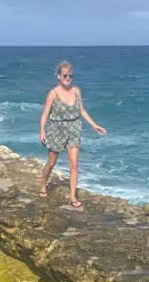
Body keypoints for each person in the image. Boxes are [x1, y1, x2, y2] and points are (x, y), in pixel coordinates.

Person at [39, 61, 106, 210]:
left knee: (74, 165)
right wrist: (42, 130)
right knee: (51, 163)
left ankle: (73, 196)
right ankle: (43, 183)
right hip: (57, 129)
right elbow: (45, 114)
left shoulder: (76, 91)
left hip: (74, 128)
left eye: (70, 75)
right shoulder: (53, 93)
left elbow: (81, 110)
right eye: (65, 75)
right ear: (58, 76)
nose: (68, 78)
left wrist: (94, 125)